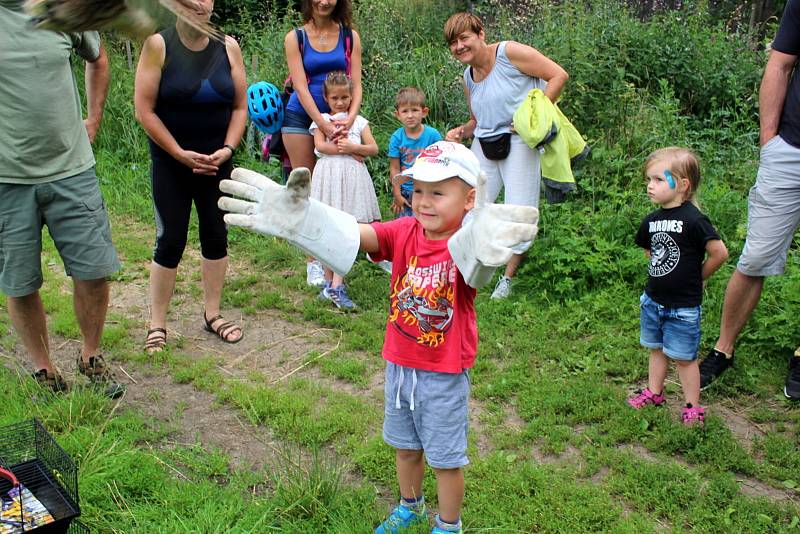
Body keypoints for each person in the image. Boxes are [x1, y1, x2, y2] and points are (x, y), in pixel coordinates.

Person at [216, 141, 539, 534]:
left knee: (445, 459)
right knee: (405, 447)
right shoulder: (405, 231)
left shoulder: (468, 244)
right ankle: (410, 506)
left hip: (443, 373)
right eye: (417, 189)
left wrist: (483, 239)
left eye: (438, 192)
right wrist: (306, 220)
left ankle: (449, 525)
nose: (424, 201)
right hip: (400, 366)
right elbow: (360, 235)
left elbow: (475, 268)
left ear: (470, 198)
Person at [0, 0, 124, 397]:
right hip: (8, 178)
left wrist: (94, 118)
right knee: (20, 282)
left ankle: (90, 356)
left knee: (93, 270)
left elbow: (98, 59)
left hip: (72, 169)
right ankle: (43, 369)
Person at [698, 0, 800, 401]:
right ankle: (723, 349)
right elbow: (780, 64)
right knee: (755, 257)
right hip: (789, 150)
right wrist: (769, 139)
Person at [134, 0, 247, 352]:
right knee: (171, 238)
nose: (200, 3)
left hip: (216, 162)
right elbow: (144, 109)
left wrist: (228, 149)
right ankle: (157, 325)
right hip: (172, 163)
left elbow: (240, 105)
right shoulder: (158, 45)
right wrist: (179, 154)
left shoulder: (228, 46)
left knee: (216, 234)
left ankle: (212, 314)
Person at [444, 11, 568, 299]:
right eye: (453, 42)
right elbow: (477, 120)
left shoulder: (509, 53)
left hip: (520, 142)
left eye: (464, 38)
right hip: (486, 143)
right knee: (468, 205)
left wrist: (531, 115)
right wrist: (461, 131)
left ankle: (507, 279)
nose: (459, 46)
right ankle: (465, 269)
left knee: (519, 212)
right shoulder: (468, 76)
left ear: (480, 34)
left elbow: (558, 75)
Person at [627, 148, 728, 425]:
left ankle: (692, 406)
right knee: (656, 349)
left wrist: (700, 276)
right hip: (652, 301)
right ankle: (654, 392)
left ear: (682, 185)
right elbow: (651, 252)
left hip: (684, 307)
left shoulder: (695, 220)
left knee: (684, 358)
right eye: (649, 179)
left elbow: (719, 253)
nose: (650, 186)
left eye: (659, 179)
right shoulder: (651, 221)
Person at [282, 0, 363, 288]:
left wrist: (350, 119)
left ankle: (334, 252)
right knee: (307, 189)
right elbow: (301, 86)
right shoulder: (296, 38)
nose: (324, 1)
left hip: (340, 120)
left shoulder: (350, 36)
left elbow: (357, 82)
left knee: (331, 189)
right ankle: (312, 262)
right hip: (301, 117)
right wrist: (322, 122)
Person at [310, 71, 380, 309]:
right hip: (328, 176)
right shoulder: (321, 120)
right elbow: (319, 146)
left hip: (351, 179)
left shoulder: (359, 122)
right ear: (326, 99)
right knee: (330, 227)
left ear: (352, 97)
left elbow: (373, 148)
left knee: (346, 229)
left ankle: (337, 285)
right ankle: (330, 283)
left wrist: (355, 146)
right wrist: (350, 150)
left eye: (344, 97)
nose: (340, 103)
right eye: (335, 98)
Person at [389, 87, 443, 218]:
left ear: (424, 112)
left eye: (414, 110)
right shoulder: (397, 138)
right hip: (405, 191)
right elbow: (394, 168)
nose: (410, 115)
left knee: (426, 224)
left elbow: (441, 164)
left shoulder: (433, 136)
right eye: (405, 111)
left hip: (428, 188)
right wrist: (397, 194)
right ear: (398, 115)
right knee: (404, 227)